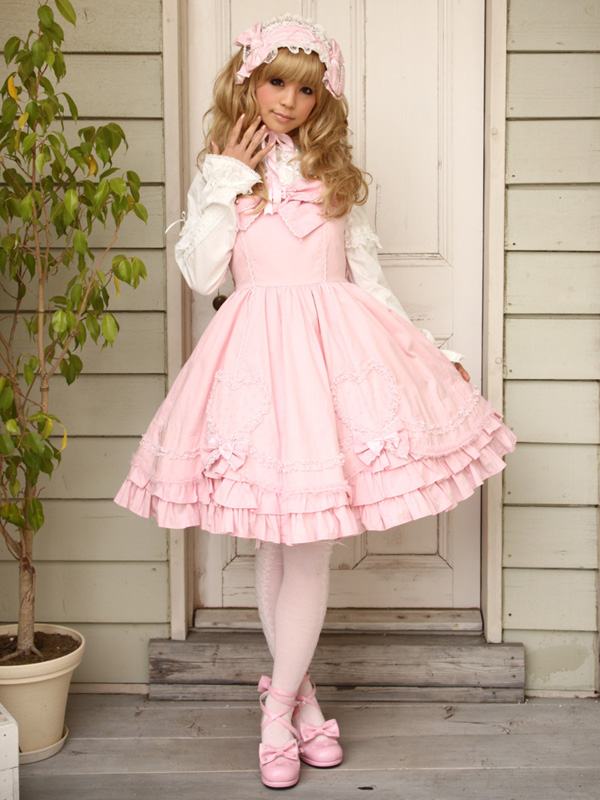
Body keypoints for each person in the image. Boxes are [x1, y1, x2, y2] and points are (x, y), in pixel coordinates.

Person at [115, 14, 517, 789]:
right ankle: (297, 706)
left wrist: (433, 355)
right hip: (258, 369)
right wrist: (224, 179)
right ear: (248, 83)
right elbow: (202, 275)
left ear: (321, 98)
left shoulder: (334, 174)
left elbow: (369, 279)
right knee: (278, 543)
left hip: (335, 366)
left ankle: (280, 708)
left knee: (305, 549)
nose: (289, 102)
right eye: (276, 82)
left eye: (306, 90)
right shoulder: (222, 171)